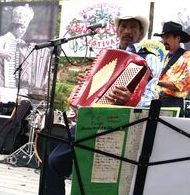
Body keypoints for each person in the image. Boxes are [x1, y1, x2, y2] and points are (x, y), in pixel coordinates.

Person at [44, 12, 162, 195]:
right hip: (93, 119)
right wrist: (84, 85)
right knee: (53, 161)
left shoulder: (149, 58)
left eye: (133, 27)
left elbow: (151, 98)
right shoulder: (107, 53)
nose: (127, 31)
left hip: (126, 123)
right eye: (123, 27)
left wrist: (131, 99)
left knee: (102, 178)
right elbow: (94, 86)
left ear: (141, 33)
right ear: (117, 30)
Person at [0, 4, 35, 103]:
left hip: (18, 85)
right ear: (14, 27)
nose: (23, 31)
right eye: (21, 28)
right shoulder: (1, 40)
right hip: (2, 84)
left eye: (25, 28)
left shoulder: (23, 44)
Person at [154, 21, 190, 117]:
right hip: (156, 102)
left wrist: (154, 80)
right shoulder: (163, 57)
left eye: (167, 37)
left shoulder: (188, 58)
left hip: (173, 104)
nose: (164, 40)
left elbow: (178, 85)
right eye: (163, 37)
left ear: (177, 38)